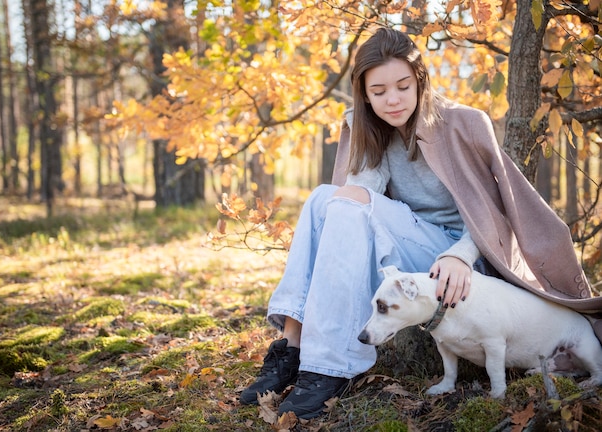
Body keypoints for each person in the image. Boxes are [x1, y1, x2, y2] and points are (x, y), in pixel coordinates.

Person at [238, 27, 602, 420]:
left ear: (420, 81)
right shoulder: (369, 129)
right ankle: (292, 348)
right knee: (324, 199)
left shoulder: (463, 124)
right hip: (408, 251)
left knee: (335, 200)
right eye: (378, 92)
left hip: (458, 262)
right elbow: (355, 203)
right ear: (364, 94)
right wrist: (359, 169)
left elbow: (490, 210)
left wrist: (460, 256)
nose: (392, 100)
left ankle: (326, 368)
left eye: (402, 86)